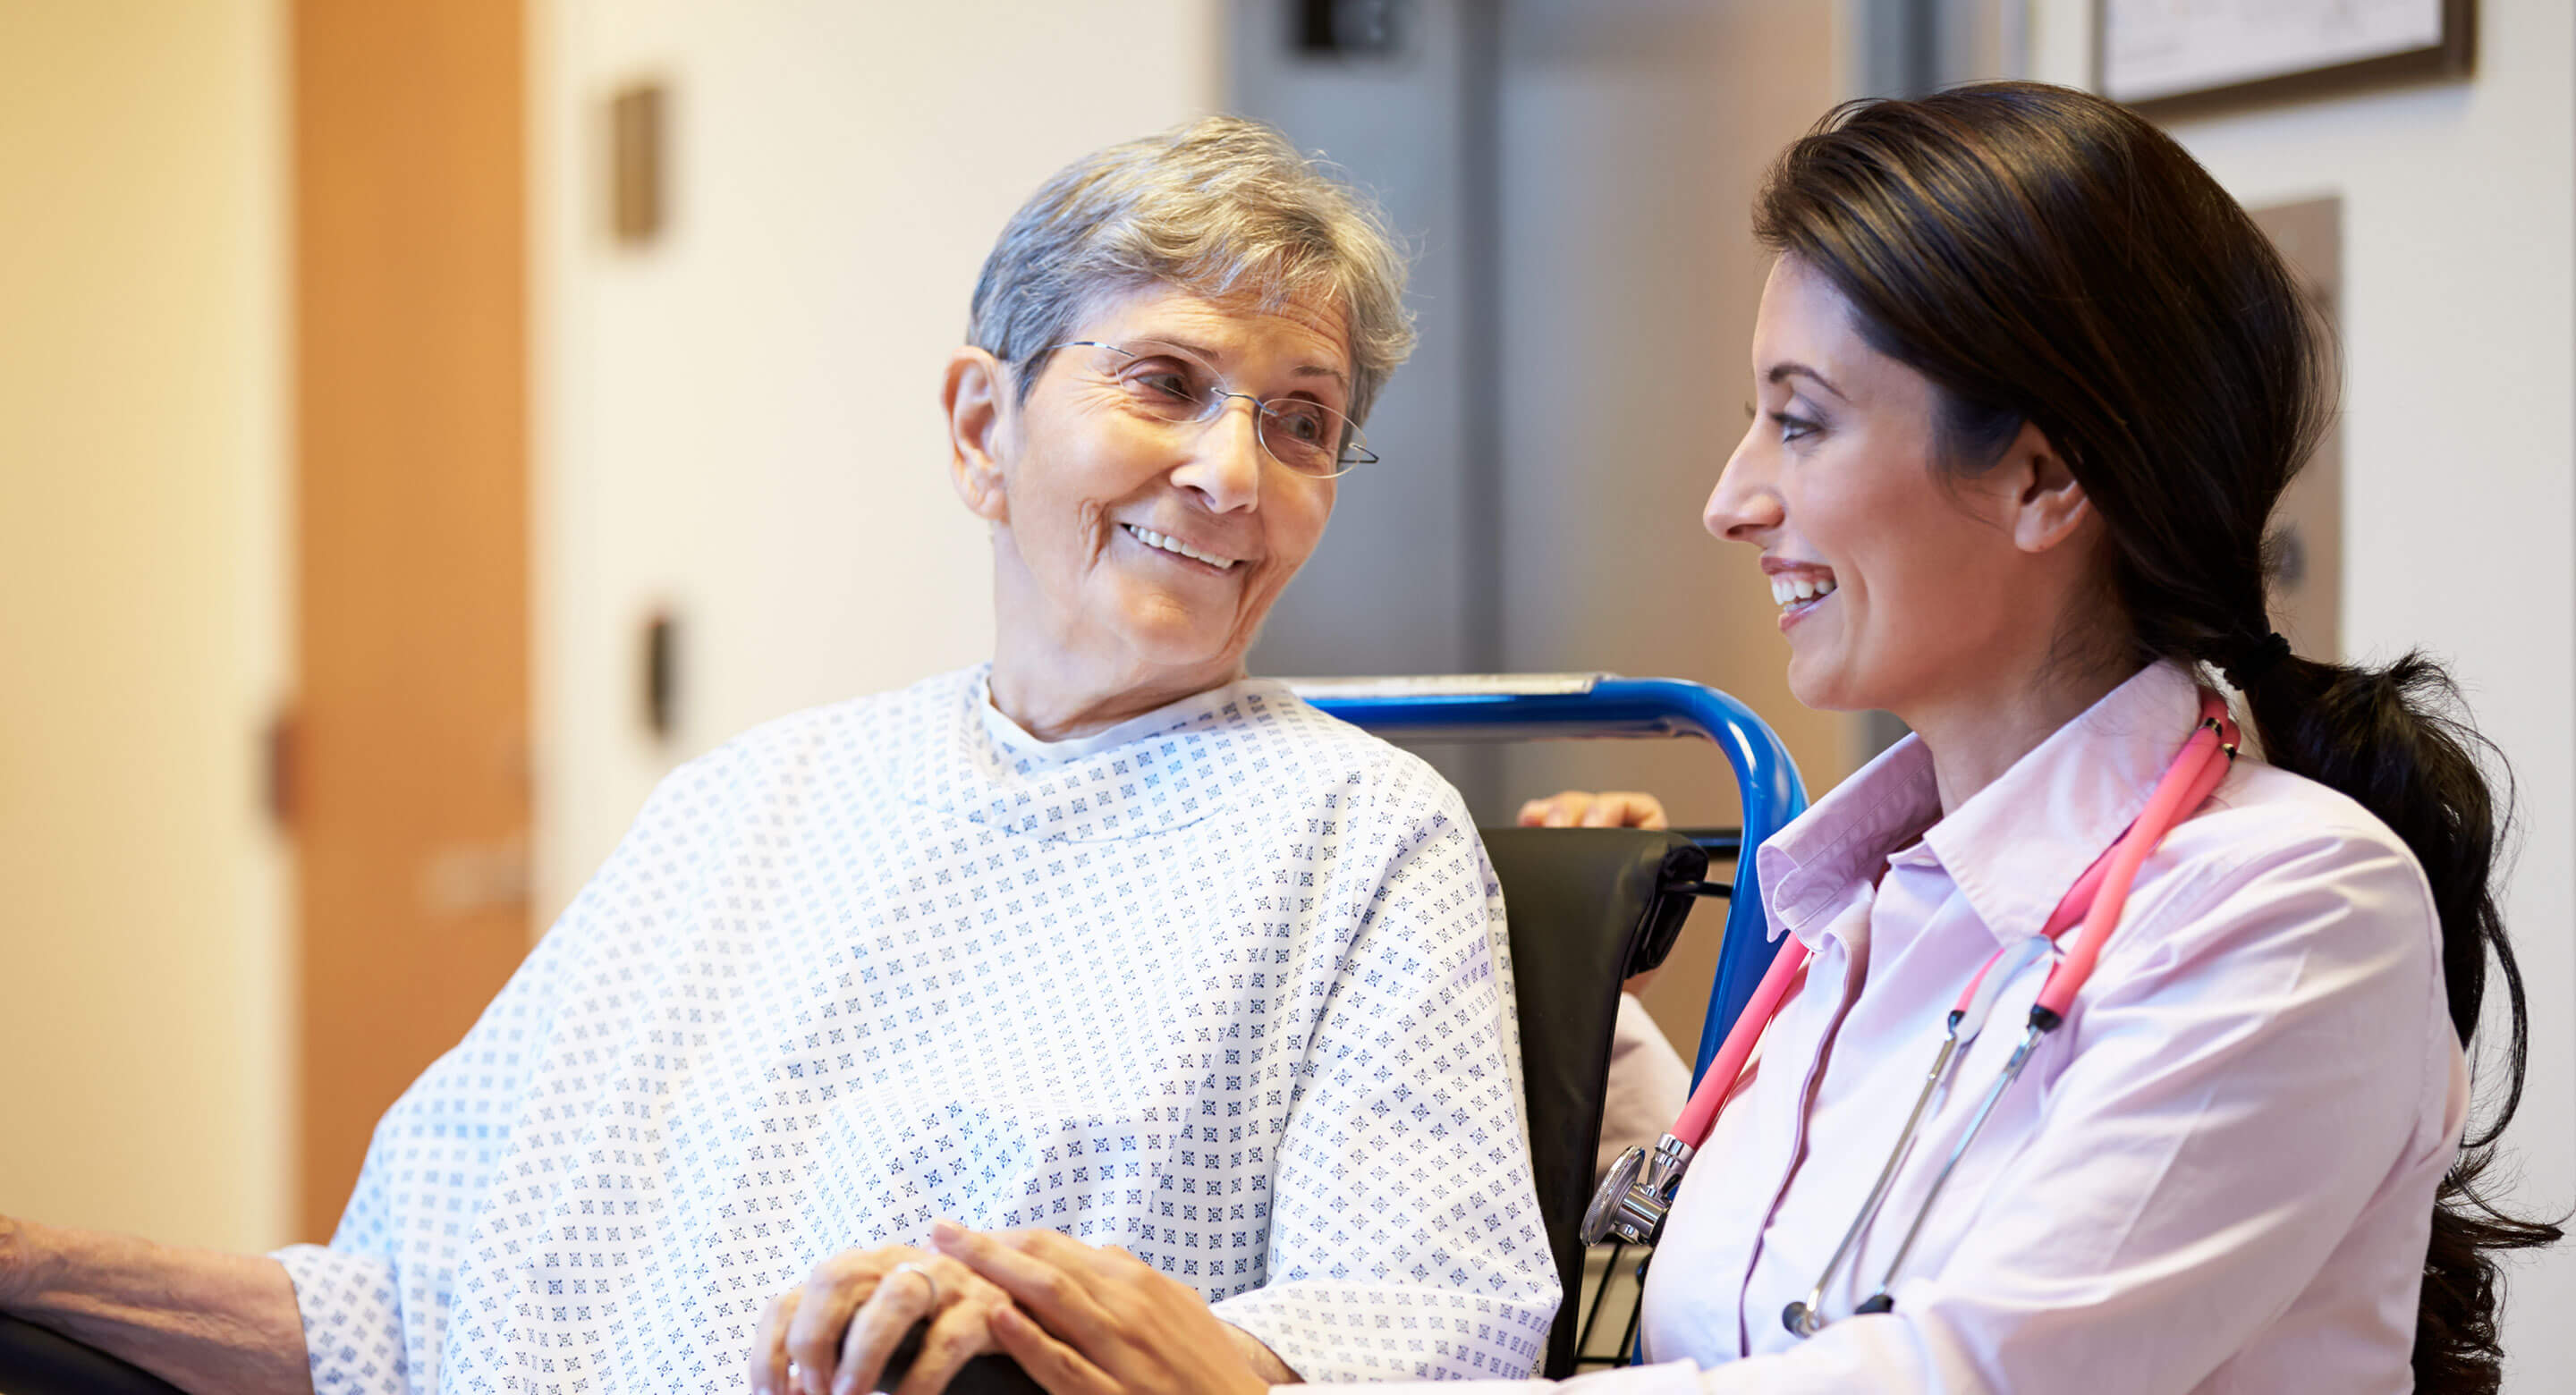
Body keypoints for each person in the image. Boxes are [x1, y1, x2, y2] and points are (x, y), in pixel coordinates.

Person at [923, 82, 2560, 1394]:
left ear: (2044, 481)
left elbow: (1954, 1371)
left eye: (1801, 419)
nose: (1731, 497)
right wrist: (1602, 1044)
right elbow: (1720, 1311)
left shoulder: (2288, 914)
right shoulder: (1868, 914)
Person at [0, 116, 1561, 1394]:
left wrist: (1074, 1344)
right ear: (978, 427)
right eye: (1165, 382)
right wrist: (34, 1267)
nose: (1233, 471)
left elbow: (1432, 1328)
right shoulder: (747, 803)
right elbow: (397, 1317)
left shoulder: (1361, 835)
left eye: (1302, 422)